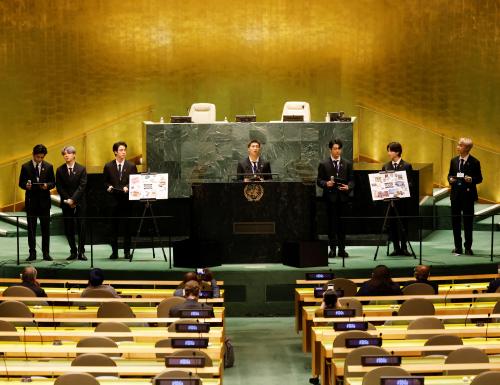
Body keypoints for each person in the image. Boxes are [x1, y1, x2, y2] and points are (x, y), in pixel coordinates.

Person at [317, 138, 354, 258]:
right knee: (331, 224)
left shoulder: (347, 164)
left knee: (342, 225)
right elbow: (319, 180)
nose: (337, 151)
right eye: (335, 149)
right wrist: (325, 184)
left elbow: (353, 180)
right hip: (330, 199)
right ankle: (332, 249)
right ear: (330, 150)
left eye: (339, 148)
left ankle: (342, 249)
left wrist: (348, 187)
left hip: (343, 199)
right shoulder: (324, 164)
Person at [18, 144, 55, 261]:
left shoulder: (49, 166)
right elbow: (21, 183)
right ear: (33, 155)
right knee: (31, 229)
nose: (39, 159)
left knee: (45, 229)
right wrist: (26, 186)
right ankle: (32, 253)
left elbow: (53, 183)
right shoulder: (25, 167)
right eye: (38, 157)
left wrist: (47, 186)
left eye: (42, 157)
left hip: (44, 203)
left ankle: (46, 253)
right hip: (31, 203)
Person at [448, 137, 483, 255]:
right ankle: (457, 247)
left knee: (468, 223)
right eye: (458, 145)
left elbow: (479, 179)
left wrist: (471, 179)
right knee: (455, 222)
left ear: (467, 148)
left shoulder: (475, 162)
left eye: (460, 145)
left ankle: (468, 247)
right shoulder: (453, 160)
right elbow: (450, 175)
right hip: (455, 196)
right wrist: (450, 180)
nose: (457, 147)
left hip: (468, 196)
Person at [103, 141, 138, 259]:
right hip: (113, 201)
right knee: (113, 227)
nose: (124, 152)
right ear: (115, 152)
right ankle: (114, 252)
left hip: (126, 201)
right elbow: (104, 182)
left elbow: (135, 181)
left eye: (125, 150)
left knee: (127, 227)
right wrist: (108, 187)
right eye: (121, 150)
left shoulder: (131, 166)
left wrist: (128, 187)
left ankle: (127, 252)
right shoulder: (108, 166)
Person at [56, 146, 87, 261]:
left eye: (68, 153)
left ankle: (81, 252)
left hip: (79, 202)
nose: (66, 155)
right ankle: (73, 251)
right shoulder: (60, 170)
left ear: (74, 154)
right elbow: (59, 187)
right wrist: (68, 200)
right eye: (64, 154)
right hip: (66, 202)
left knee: (81, 227)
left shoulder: (81, 169)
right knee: (68, 228)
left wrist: (73, 199)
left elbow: (82, 186)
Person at [382, 142, 413, 256]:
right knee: (392, 224)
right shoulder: (386, 166)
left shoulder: (406, 166)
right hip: (391, 202)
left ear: (397, 152)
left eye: (390, 150)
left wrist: (400, 186)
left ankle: (404, 248)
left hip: (402, 201)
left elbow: (410, 183)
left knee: (403, 224)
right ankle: (396, 248)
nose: (388, 153)